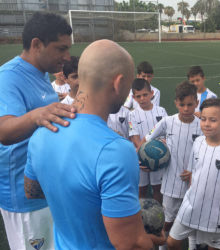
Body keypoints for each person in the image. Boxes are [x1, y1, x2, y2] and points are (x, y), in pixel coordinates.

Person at [24, 39, 164, 249]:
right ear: (118, 83)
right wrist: (155, 240)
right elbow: (130, 244)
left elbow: (32, 191)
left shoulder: (41, 132)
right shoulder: (116, 150)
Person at [0, 12, 76, 250]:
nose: (67, 57)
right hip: (23, 199)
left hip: (45, 188)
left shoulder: (42, 75)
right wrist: (37, 116)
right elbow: (4, 131)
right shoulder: (8, 77)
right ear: (36, 44)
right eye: (60, 49)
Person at [167, 98, 220, 250]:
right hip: (190, 207)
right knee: (172, 242)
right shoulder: (198, 142)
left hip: (216, 215)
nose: (207, 124)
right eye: (203, 119)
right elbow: (193, 174)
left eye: (213, 120)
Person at [144, 81, 202, 250]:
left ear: (196, 103)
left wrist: (193, 171)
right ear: (176, 102)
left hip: (193, 183)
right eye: (182, 104)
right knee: (167, 220)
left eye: (190, 104)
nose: (185, 108)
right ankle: (162, 247)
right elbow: (147, 140)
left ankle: (193, 247)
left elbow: (205, 153)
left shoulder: (201, 126)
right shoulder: (167, 122)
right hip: (170, 182)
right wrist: (144, 159)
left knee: (192, 218)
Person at [128, 78, 167, 203]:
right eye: (138, 96)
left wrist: (154, 156)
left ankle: (158, 214)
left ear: (151, 94)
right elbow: (134, 138)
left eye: (145, 95)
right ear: (134, 98)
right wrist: (145, 157)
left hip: (158, 157)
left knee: (157, 188)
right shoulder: (132, 114)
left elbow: (166, 133)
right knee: (142, 190)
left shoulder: (161, 111)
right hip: (140, 160)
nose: (142, 99)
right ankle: (142, 217)